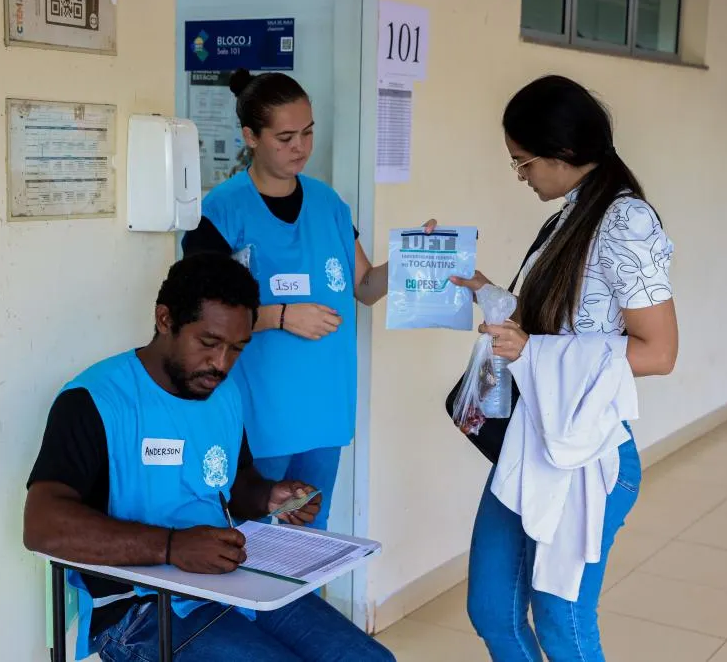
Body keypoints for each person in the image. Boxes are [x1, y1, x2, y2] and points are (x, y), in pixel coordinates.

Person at [23, 253, 395, 662]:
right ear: (165, 320)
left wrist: (270, 495)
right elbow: (42, 525)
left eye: (237, 348)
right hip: (139, 609)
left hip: (230, 580)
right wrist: (171, 547)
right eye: (209, 343)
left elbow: (235, 483)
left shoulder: (223, 394)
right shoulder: (95, 401)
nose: (221, 364)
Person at [453, 76, 678, 661]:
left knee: (561, 619)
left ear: (565, 153)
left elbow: (658, 351)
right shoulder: (571, 213)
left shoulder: (626, 221)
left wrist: (532, 353)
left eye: (523, 162)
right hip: (534, 443)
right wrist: (479, 288)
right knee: (492, 610)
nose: (522, 175)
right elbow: (553, 327)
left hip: (588, 452)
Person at [182, 69, 433, 529]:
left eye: (308, 132)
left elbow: (364, 288)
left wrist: (409, 259)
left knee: (308, 540)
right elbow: (200, 311)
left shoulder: (329, 204)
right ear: (250, 137)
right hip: (261, 413)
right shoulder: (222, 210)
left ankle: (301, 603)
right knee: (251, 543)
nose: (301, 146)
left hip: (325, 407)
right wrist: (280, 316)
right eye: (285, 137)